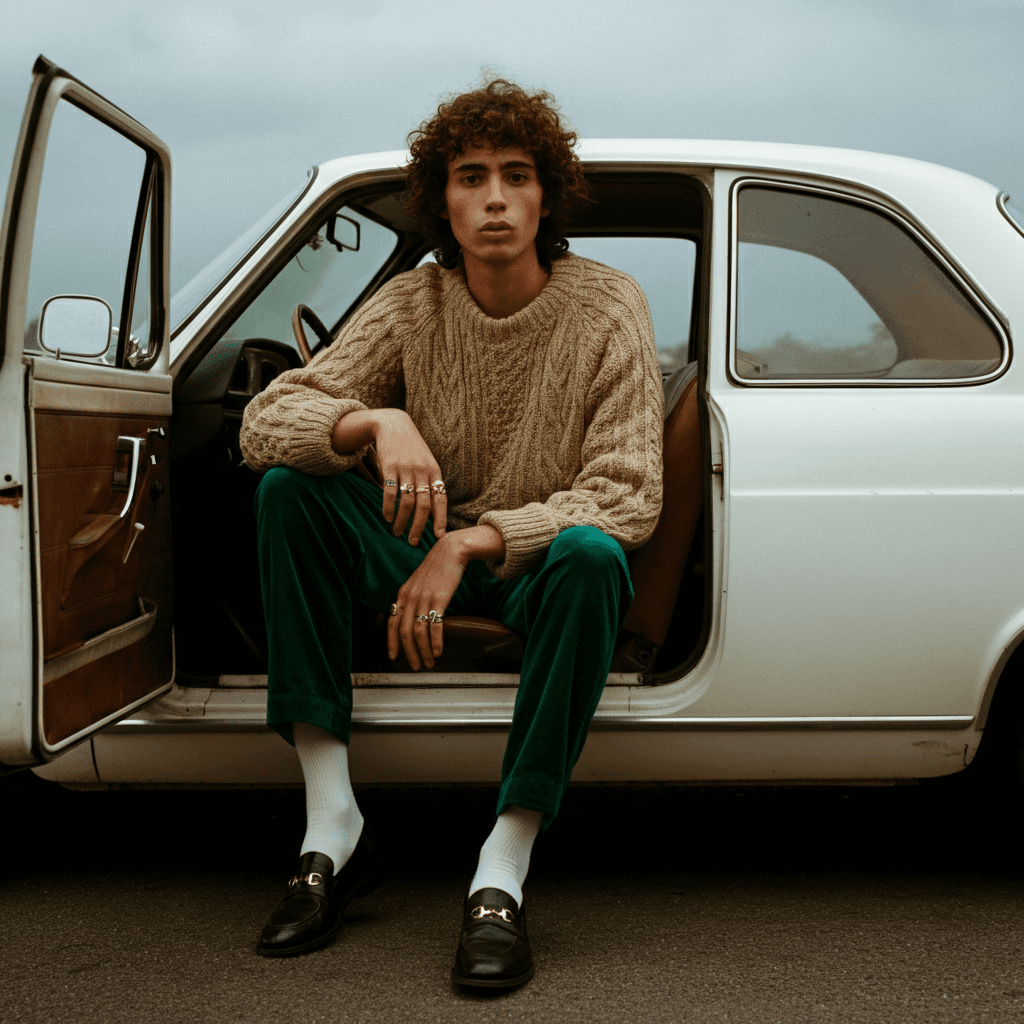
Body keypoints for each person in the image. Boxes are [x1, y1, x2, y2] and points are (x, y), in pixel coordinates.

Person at [239, 78, 667, 988]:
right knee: (287, 488)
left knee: (594, 554)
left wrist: (472, 541)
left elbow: (626, 494)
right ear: (443, 199)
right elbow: (264, 421)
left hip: (533, 565)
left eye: (518, 175)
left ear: (548, 194)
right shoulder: (411, 303)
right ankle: (331, 826)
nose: (497, 198)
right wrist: (372, 425)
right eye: (472, 177)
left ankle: (502, 866)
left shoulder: (609, 305)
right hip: (411, 545)